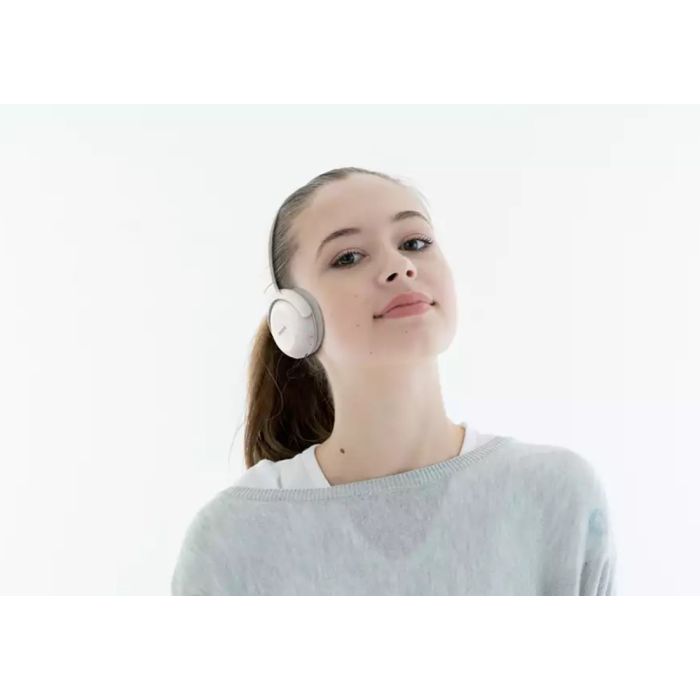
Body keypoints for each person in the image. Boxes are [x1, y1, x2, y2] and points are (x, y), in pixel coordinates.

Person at [171, 166, 618, 595]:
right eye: (348, 257)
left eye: (415, 242)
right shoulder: (232, 540)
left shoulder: (556, 493)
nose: (400, 266)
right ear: (293, 321)